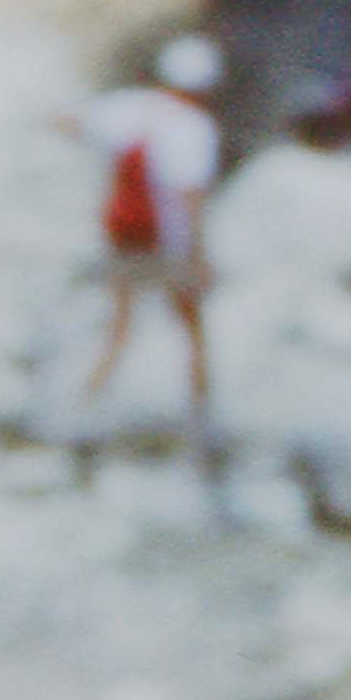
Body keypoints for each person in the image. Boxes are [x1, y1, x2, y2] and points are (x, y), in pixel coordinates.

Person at [79, 32, 225, 424]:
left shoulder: (128, 107)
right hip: (168, 244)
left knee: (119, 327)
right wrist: (199, 256)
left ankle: (86, 405)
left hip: (123, 238)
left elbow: (74, 123)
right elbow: (191, 197)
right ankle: (201, 411)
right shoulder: (194, 126)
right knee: (192, 330)